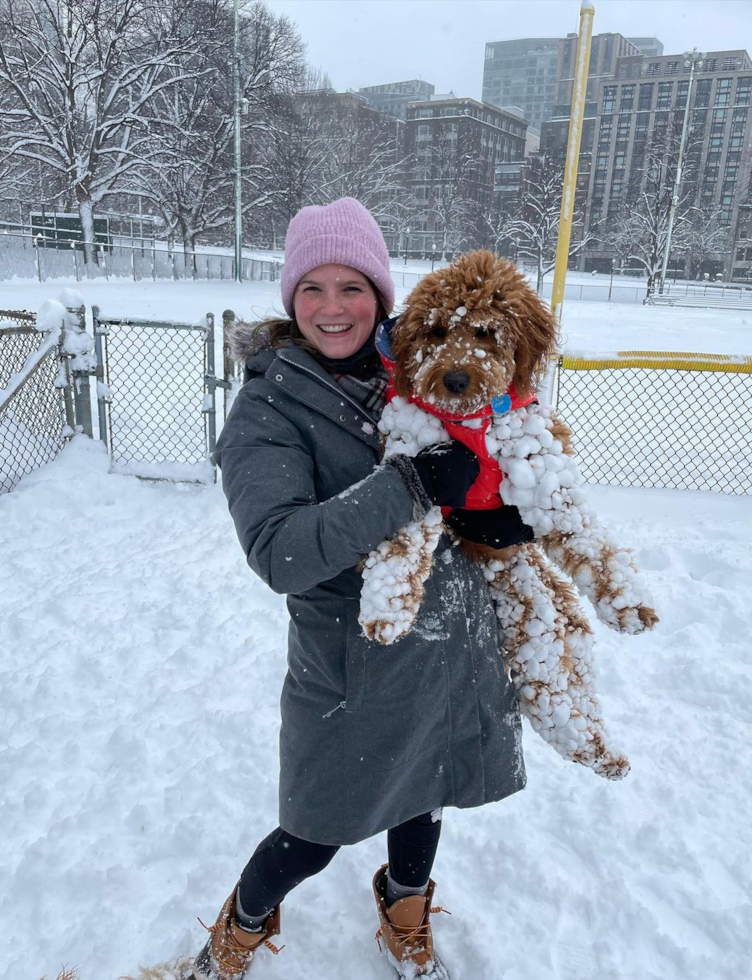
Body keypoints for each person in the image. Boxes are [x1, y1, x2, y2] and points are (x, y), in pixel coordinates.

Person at [195, 198, 530, 980]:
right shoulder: (267, 407)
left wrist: (500, 520)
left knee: (428, 788)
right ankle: (235, 934)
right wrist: (410, 484)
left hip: (446, 637)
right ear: (290, 299)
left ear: (380, 295)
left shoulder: (414, 365)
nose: (332, 307)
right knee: (316, 825)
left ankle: (404, 906)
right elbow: (279, 552)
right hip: (353, 660)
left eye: (351, 286)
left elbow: (484, 456)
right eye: (312, 287)